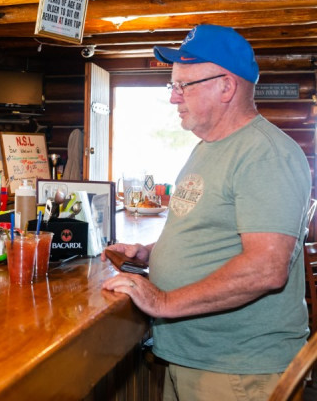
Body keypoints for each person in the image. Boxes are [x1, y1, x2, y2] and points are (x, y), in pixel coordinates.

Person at [102, 24, 312, 400]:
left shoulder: (264, 153)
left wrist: (162, 301)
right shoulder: (209, 146)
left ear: (226, 86)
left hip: (238, 370)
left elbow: (266, 268)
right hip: (197, 358)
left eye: (183, 85)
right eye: (173, 86)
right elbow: (217, 232)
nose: (173, 98)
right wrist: (152, 255)